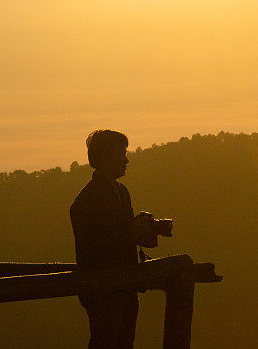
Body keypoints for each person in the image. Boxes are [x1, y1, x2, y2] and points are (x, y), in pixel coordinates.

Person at [70, 129, 157, 349]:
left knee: (124, 342)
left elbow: (118, 234)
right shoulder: (86, 201)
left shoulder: (122, 192)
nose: (126, 160)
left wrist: (145, 231)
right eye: (121, 154)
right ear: (104, 157)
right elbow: (94, 246)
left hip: (125, 286)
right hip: (104, 290)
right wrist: (131, 233)